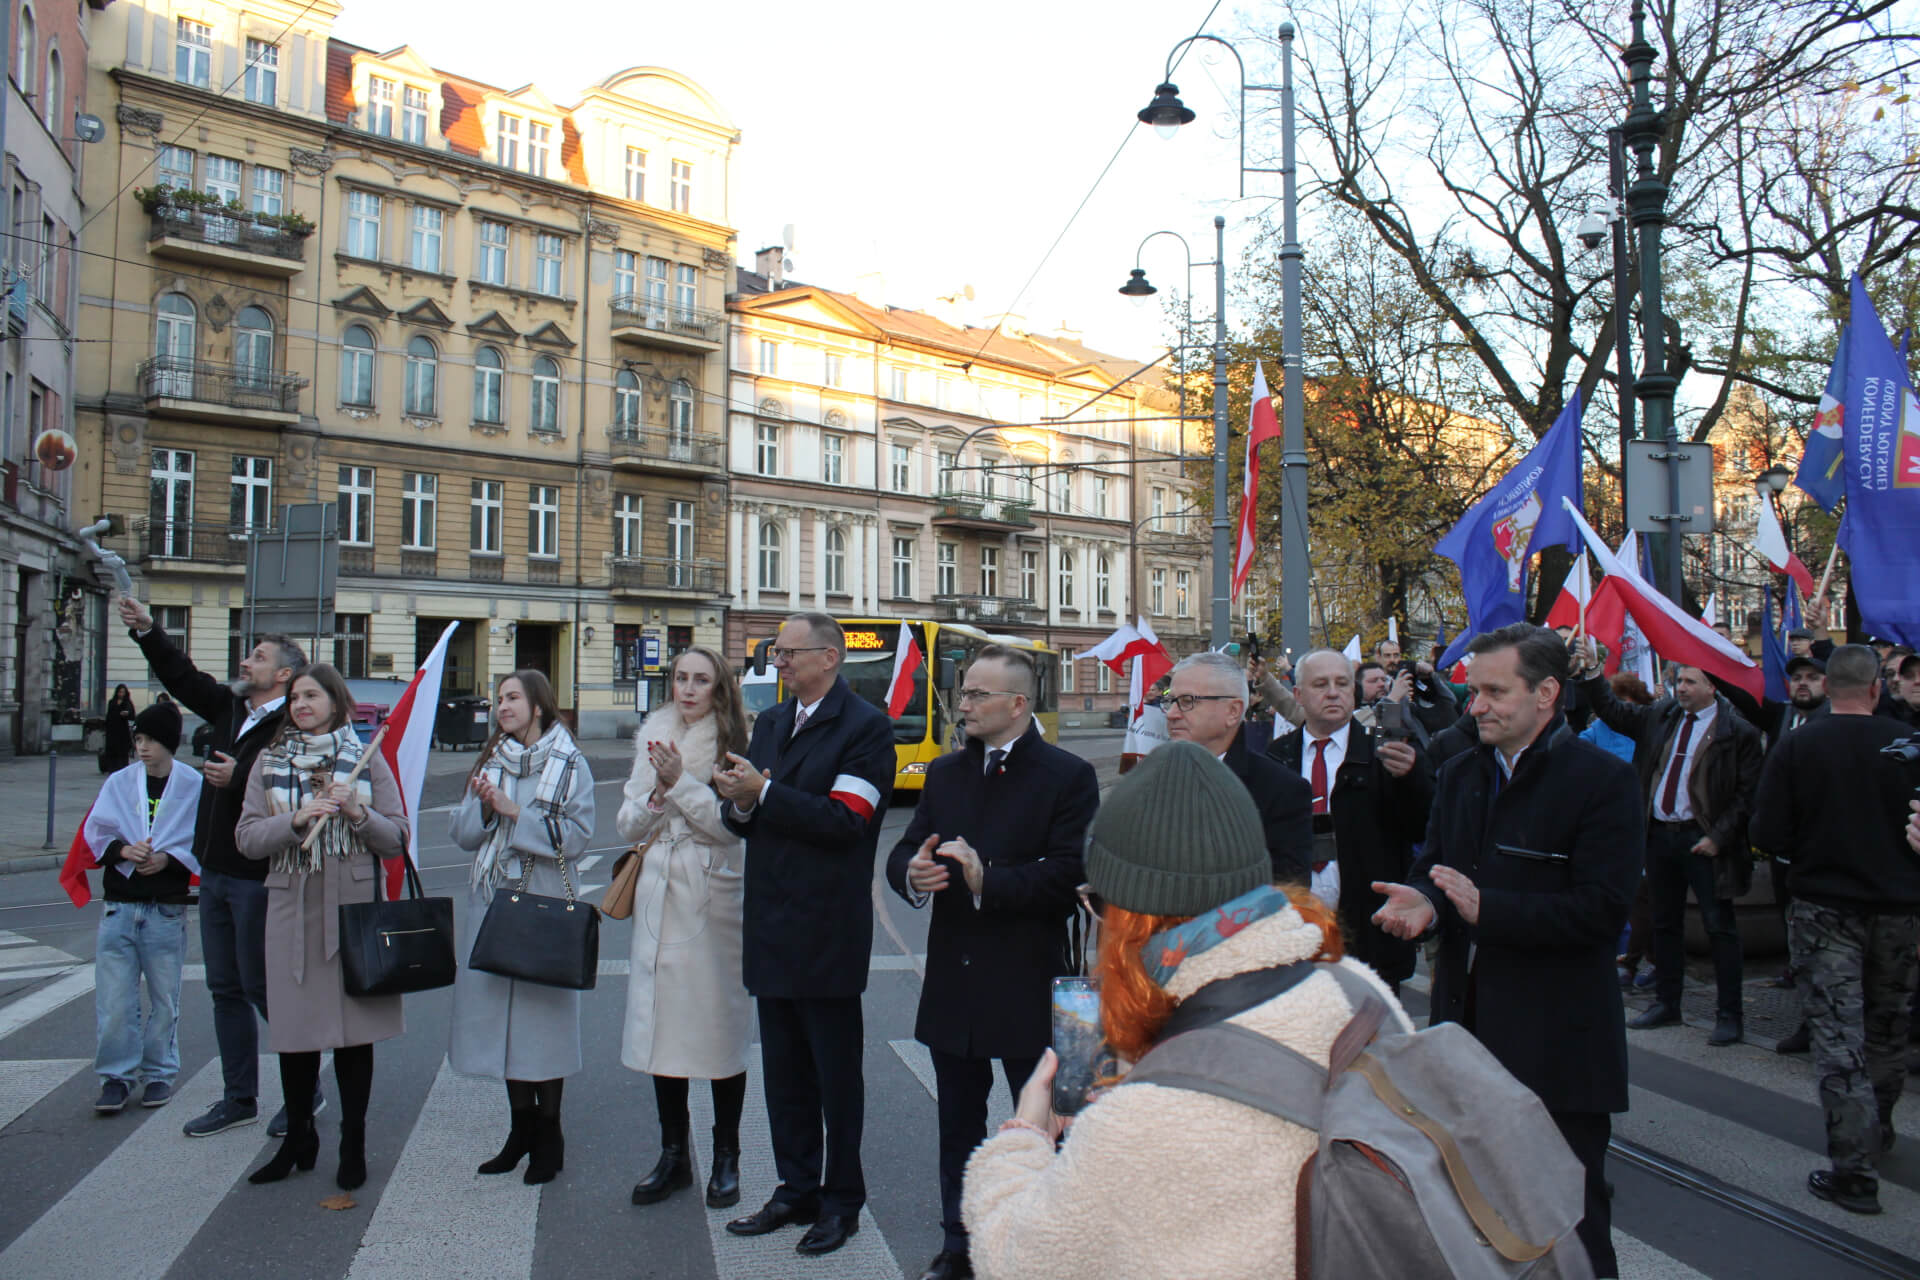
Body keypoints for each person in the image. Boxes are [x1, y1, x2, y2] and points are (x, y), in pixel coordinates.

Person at [959, 741, 1412, 1279]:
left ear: (1134, 918)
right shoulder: (1358, 990)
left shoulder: (1147, 1110)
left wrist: (1025, 1134)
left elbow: (1020, 1261)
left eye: (1100, 902)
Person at [1373, 623, 1643, 1278]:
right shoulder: (1462, 771)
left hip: (1561, 1046)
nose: (1477, 706)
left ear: (1547, 693)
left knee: (1571, 1218)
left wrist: (1489, 909)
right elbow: (1439, 866)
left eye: (1495, 691)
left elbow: (1604, 911)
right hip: (1466, 1038)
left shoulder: (1602, 781)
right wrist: (1425, 902)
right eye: (1473, 691)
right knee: (1473, 1213)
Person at [886, 644, 1098, 1280]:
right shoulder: (947, 772)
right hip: (955, 982)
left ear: (1017, 704)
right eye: (963, 691)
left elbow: (1070, 876)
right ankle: (961, 1243)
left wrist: (987, 881)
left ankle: (1043, 1247)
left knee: (1046, 1127)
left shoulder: (1067, 775)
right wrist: (914, 874)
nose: (964, 703)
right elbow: (903, 850)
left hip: (1031, 983)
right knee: (957, 1127)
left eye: (978, 694)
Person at [716, 613, 897, 1258]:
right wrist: (739, 801)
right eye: (774, 651)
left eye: (788, 652)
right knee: (784, 1072)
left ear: (830, 656)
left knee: (834, 1076)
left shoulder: (867, 729)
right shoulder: (769, 722)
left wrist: (762, 792)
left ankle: (841, 1197)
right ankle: (795, 1188)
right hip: (771, 921)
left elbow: (846, 820)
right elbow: (744, 817)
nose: (778, 661)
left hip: (826, 929)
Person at [116, 596, 317, 1140]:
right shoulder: (231, 709)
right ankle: (239, 1097)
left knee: (260, 986)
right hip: (217, 870)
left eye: (256, 656)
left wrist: (243, 775)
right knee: (225, 987)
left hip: (258, 874)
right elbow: (181, 678)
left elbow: (297, 786)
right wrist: (148, 630)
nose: (244, 661)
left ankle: (305, 1088)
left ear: (282, 674)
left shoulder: (293, 722)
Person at [1749, 645, 1920, 1216]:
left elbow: (1768, 831)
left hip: (1824, 907)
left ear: (1829, 687)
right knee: (1887, 1024)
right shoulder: (1908, 747)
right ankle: (1880, 1129)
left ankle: (1853, 1167)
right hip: (1899, 908)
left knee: (1837, 1033)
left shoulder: (1799, 744)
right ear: (1877, 688)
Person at [234, 664, 407, 1190]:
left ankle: (352, 1141)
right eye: (293, 696)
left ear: (336, 700)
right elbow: (245, 837)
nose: (299, 704)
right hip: (292, 903)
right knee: (296, 1034)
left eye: (311, 694)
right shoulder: (268, 761)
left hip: (352, 903)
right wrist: (294, 820)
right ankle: (298, 1137)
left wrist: (357, 813)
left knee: (355, 1036)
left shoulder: (366, 758)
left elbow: (396, 837)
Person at [615, 647, 751, 1210]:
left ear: (719, 688)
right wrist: (655, 790)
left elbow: (732, 829)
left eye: (701, 680)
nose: (688, 688)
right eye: (680, 678)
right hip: (657, 890)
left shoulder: (734, 741)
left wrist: (681, 784)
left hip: (711, 889)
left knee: (717, 1025)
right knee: (660, 1025)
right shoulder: (656, 734)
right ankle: (674, 1155)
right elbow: (626, 824)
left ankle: (726, 1155)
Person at [448, 670, 596, 1185]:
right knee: (504, 1028)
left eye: (513, 697)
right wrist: (489, 812)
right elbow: (463, 833)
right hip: (492, 902)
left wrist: (515, 813)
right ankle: (519, 1130)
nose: (502, 706)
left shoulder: (570, 762)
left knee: (542, 1027)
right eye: (500, 698)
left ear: (538, 706)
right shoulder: (494, 761)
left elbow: (577, 839)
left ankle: (549, 1134)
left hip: (544, 904)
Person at [1580, 656, 1764, 1046]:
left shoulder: (1737, 732)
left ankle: (1729, 1015)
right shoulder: (1662, 716)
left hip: (1706, 842)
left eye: (1691, 682)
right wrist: (1594, 675)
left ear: (1713, 687)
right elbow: (1614, 712)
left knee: (1719, 928)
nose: (1681, 688)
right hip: (1660, 836)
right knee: (1664, 924)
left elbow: (1747, 794)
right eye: (1679, 681)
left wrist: (1719, 836)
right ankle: (1668, 1002)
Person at [1265, 649, 1433, 995]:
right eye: (1320, 684)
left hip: (1369, 935)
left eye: (1342, 683)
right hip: (1293, 935)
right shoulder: (1276, 757)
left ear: (1354, 692)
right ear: (1298, 695)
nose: (1332, 692)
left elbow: (1423, 828)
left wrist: (1411, 778)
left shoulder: (1386, 754)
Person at [81, 701, 201, 1113]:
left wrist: (167, 859)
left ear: (169, 742)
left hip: (165, 907)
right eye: (138, 739)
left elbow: (198, 840)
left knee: (164, 999)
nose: (143, 747)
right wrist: (123, 850)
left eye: (150, 739)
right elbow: (98, 832)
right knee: (115, 1000)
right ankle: (115, 1076)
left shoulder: (191, 784)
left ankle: (158, 1074)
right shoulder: (119, 782)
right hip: (120, 904)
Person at [1159, 652, 1312, 884]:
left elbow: (1286, 892)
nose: (1171, 714)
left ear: (1232, 711)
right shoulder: (1149, 778)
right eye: (1170, 700)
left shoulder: (1281, 790)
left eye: (1188, 701)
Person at [1581, 673, 1654, 990]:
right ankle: (1617, 954)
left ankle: (1635, 957)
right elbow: (1577, 752)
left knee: (1641, 893)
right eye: (1618, 701)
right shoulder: (1598, 729)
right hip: (1604, 817)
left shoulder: (1646, 727)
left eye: (1629, 702)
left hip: (1641, 817)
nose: (1623, 709)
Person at [100, 684, 137, 773]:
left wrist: (127, 714)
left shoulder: (127, 702)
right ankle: (112, 767)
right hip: (112, 729)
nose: (121, 694)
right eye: (120, 692)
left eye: (123, 692)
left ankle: (122, 768)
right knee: (112, 749)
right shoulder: (112, 702)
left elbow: (132, 715)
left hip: (122, 730)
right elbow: (109, 715)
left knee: (122, 751)